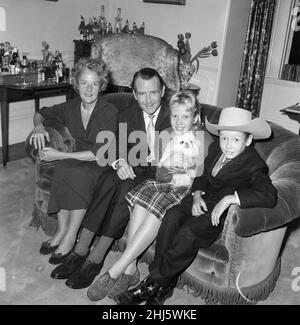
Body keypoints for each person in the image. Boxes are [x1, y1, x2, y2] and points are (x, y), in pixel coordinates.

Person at [115, 106, 278, 305]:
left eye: (236, 139)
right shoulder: (215, 149)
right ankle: (164, 285)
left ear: (248, 140)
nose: (228, 145)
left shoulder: (254, 164)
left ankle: (151, 284)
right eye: (224, 138)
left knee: (188, 233)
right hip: (199, 200)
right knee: (171, 216)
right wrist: (197, 194)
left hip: (216, 214)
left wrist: (230, 199)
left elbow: (269, 195)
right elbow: (201, 175)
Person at [50, 68, 170, 291]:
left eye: (153, 92)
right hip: (135, 167)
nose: (148, 99)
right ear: (134, 94)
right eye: (142, 94)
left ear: (163, 91)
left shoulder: (176, 114)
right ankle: (81, 249)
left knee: (125, 190)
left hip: (161, 174)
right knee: (107, 179)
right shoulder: (127, 113)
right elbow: (114, 146)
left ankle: (96, 257)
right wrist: (120, 161)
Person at [85, 91, 203, 301]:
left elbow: (200, 174)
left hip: (181, 189)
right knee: (140, 200)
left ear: (195, 118)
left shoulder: (200, 139)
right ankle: (131, 271)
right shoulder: (166, 133)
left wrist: (180, 171)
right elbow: (157, 166)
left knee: (155, 209)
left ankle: (115, 270)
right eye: (175, 116)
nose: (179, 121)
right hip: (160, 182)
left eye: (185, 117)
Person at [30, 57, 118, 265]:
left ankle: (71, 235)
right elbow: (40, 113)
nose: (89, 89)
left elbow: (99, 154)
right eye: (84, 83)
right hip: (78, 158)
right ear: (76, 85)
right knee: (62, 169)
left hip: (102, 163)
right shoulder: (70, 107)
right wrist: (38, 127)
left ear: (102, 86)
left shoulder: (109, 111)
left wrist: (60, 154)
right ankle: (61, 231)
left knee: (76, 172)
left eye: (95, 84)